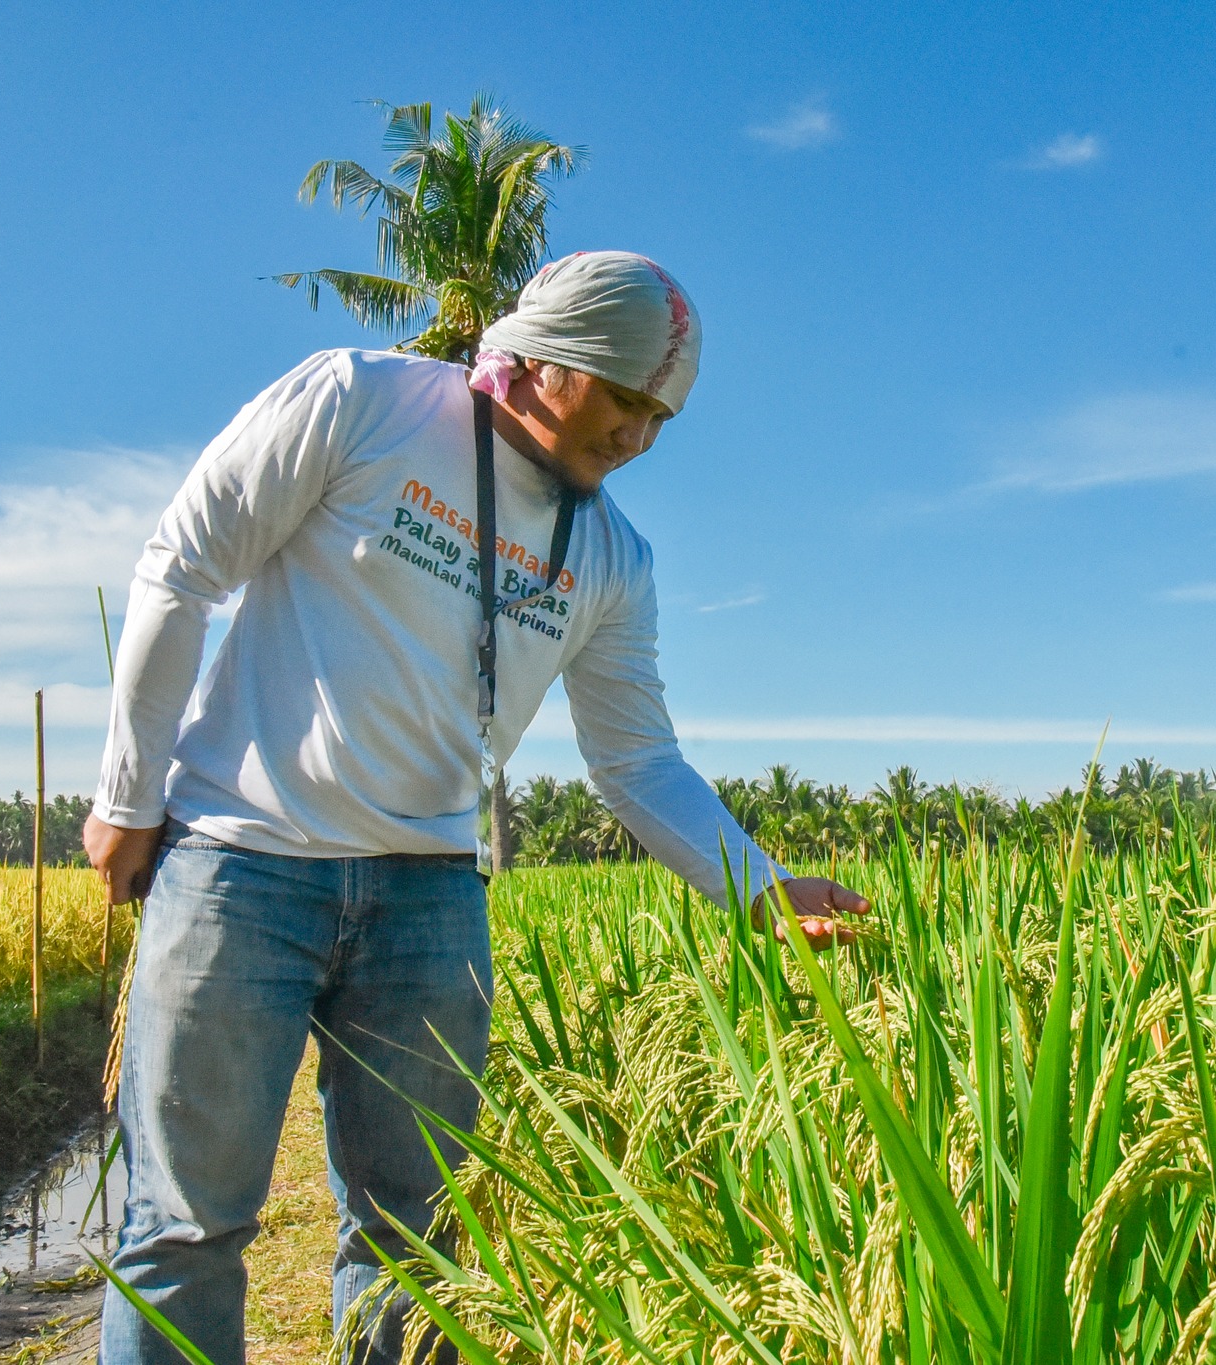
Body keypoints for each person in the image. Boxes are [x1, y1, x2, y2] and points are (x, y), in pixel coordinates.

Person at [84, 250, 868, 1364]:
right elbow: (182, 568)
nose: (638, 436)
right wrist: (128, 795)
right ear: (547, 361)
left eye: (661, 416)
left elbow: (636, 761)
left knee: (418, 1238)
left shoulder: (612, 556)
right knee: (186, 1227)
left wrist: (760, 887)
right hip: (240, 864)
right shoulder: (359, 402)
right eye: (624, 398)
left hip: (429, 901)